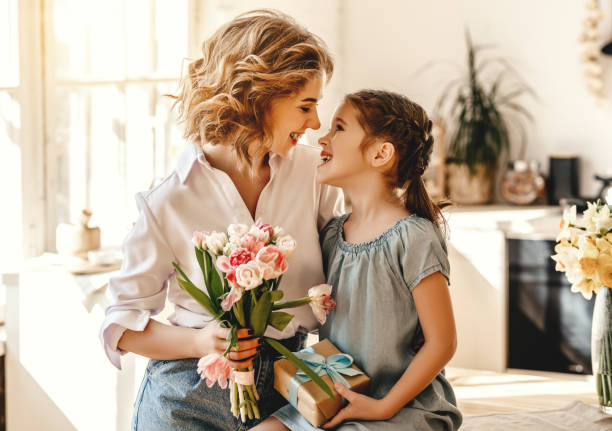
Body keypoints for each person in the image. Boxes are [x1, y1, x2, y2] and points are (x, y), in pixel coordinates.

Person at [99, 10, 344, 431]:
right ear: (259, 99)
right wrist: (199, 341)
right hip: (185, 398)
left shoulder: (313, 174)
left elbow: (349, 272)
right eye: (306, 106)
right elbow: (120, 324)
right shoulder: (168, 200)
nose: (315, 123)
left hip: (290, 391)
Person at [256, 90, 463, 430]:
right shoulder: (331, 234)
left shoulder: (413, 236)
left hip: (401, 406)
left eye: (338, 127)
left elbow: (442, 343)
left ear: (381, 153)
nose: (323, 137)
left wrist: (381, 408)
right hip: (335, 398)